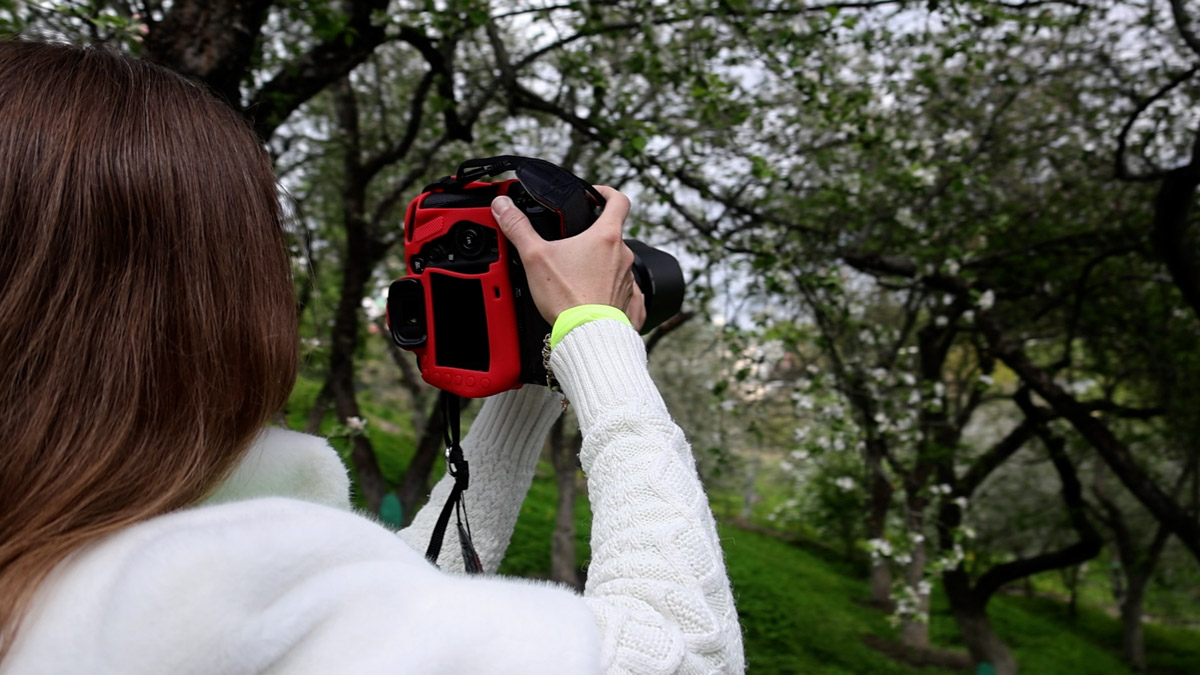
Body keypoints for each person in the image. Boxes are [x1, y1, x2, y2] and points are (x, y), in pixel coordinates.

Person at [0, 39, 744, 674]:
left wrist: (537, 369)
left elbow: (401, 601)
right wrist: (599, 333)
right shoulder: (191, 582)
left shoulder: (67, 552)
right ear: (194, 302)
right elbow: (682, 651)